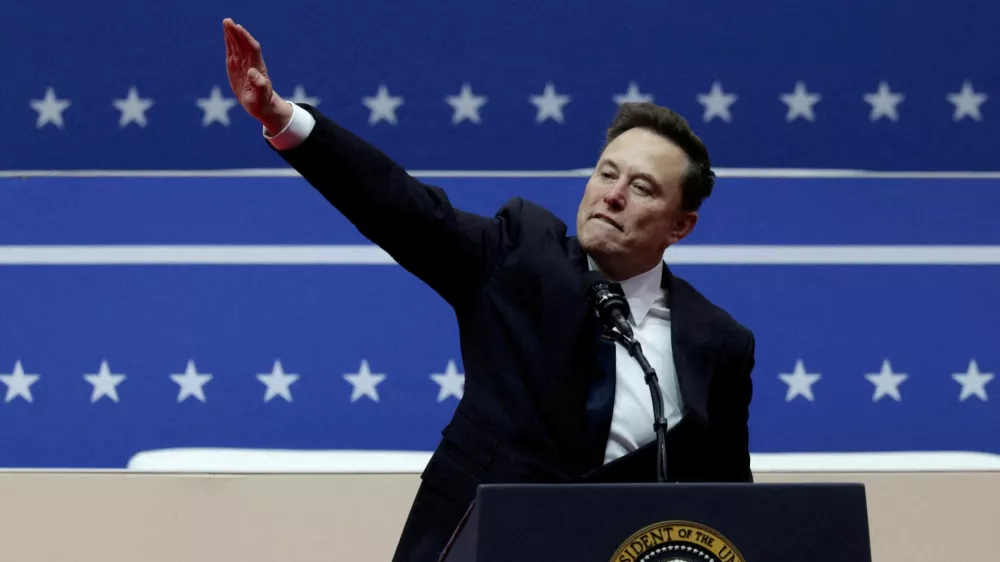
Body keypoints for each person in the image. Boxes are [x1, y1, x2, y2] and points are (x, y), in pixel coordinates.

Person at [223, 18, 755, 562]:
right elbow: (400, 206)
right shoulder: (519, 255)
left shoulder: (719, 344)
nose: (612, 195)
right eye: (605, 173)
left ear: (680, 226)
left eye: (640, 187)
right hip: (480, 545)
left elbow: (731, 505)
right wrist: (282, 119)